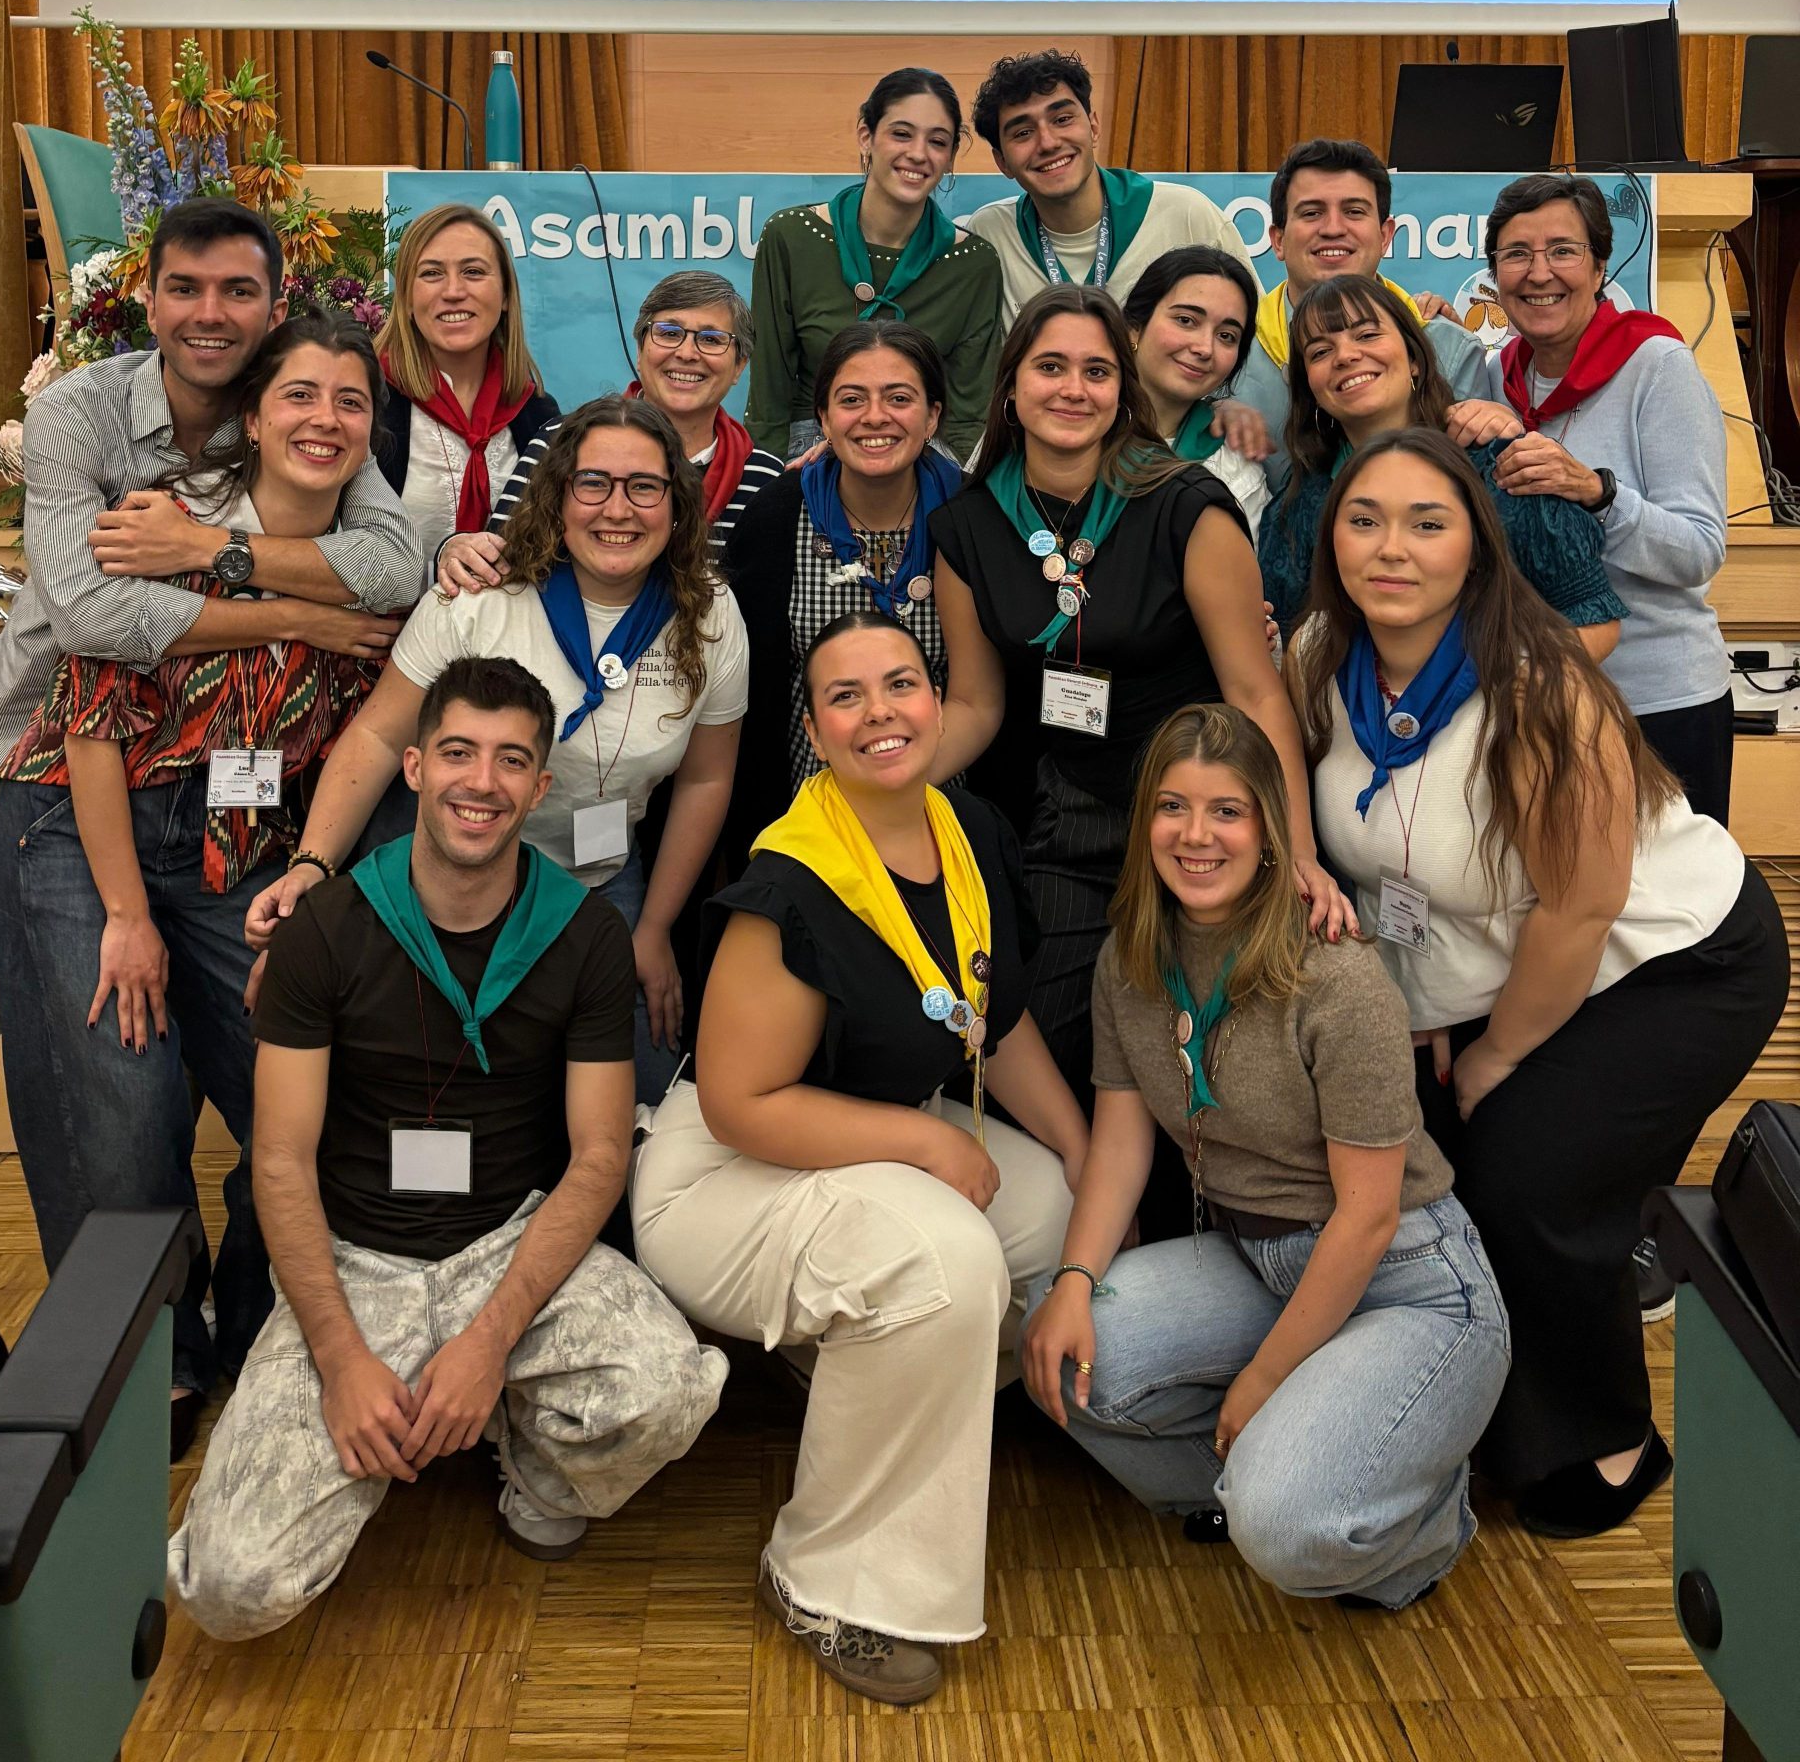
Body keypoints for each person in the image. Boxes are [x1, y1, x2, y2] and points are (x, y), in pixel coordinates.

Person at [0, 197, 419, 1302]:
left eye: (238, 291)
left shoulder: (302, 396)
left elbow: (389, 566)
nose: (210, 313)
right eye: (186, 288)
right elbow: (91, 619)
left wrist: (211, 549)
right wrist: (299, 616)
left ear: (274, 304)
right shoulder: (82, 414)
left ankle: (254, 1304)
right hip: (44, 747)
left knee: (274, 1061)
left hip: (219, 797)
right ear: (148, 296)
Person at [168, 656, 728, 1635]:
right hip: (355, 1259)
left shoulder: (586, 935)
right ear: (416, 767)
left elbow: (601, 1155)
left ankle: (523, 1450)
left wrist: (490, 1340)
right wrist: (343, 1360)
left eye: (511, 760)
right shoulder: (325, 930)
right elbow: (280, 1161)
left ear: (540, 788)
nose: (483, 781)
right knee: (231, 1589)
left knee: (670, 1395)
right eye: (460, 752)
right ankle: (393, 1415)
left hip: (509, 1244)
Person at [1293, 430, 1787, 1536]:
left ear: (1477, 547)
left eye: (1428, 523)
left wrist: (1497, 1057)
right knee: (1425, 1167)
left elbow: (1578, 909)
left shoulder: (1539, 685)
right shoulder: (1325, 653)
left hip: (1674, 959)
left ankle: (1610, 1441)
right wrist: (1421, 1006)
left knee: (1528, 1177)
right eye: (1365, 519)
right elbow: (1389, 871)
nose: (1391, 548)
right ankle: (1485, 1414)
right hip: (1498, 959)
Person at [631, 614, 1085, 1707]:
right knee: (946, 1263)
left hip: (856, 1142)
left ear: (937, 700)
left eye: (901, 684)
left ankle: (858, 1380)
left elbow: (992, 1017)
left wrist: (1082, 1154)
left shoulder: (967, 828)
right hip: (724, 1176)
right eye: (847, 696)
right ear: (814, 729)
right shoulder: (792, 881)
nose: (880, 712)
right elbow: (740, 1104)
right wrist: (927, 1139)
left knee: (1054, 1214)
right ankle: (825, 1580)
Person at [0, 312, 395, 1443]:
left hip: (240, 846)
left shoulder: (369, 569)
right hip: (87, 825)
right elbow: (91, 725)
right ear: (252, 418)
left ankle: (266, 1322)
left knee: (296, 1090)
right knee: (122, 1102)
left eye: (350, 401)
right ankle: (150, 1351)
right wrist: (126, 915)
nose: (324, 420)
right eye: (299, 396)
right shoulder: (163, 527)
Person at [1020, 703, 1507, 1610]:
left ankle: (1422, 1521)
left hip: (1405, 1281)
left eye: (1227, 812)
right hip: (1258, 1262)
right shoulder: (1130, 960)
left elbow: (1367, 1218)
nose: (1196, 835)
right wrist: (1076, 1280)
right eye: (1173, 808)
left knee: (1284, 1528)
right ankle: (1290, 1470)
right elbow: (1120, 1143)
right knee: (1059, 1350)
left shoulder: (1336, 974)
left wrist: (1267, 1375)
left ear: (1271, 832)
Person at [247, 396, 748, 1101]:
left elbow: (705, 781)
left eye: (644, 487)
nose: (618, 509)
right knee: (426, 1068)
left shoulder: (710, 615)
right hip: (447, 870)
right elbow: (380, 736)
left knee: (642, 1082)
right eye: (593, 483)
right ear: (559, 492)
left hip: (599, 871)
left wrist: (656, 927)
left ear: (676, 503)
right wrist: (313, 867)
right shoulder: (483, 592)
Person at [927, 287, 1348, 1108]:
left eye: (1096, 371)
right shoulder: (969, 526)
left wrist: (1298, 849)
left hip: (1203, 810)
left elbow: (1255, 692)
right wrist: (872, 795)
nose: (1073, 389)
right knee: (1044, 1047)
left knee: (1209, 1063)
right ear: (1011, 385)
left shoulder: (1184, 505)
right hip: (1075, 812)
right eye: (1050, 367)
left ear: (1123, 390)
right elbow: (975, 705)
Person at [1453, 172, 1734, 824]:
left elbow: (1699, 551)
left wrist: (1599, 493)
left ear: (1600, 266)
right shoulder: (1496, 377)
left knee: (1664, 888)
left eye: (1563, 250)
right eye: (1516, 254)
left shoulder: (1658, 366)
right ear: (1494, 275)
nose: (1539, 273)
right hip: (1539, 701)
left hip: (1656, 703)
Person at [1259, 273, 1626, 651]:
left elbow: (1591, 619)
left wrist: (1505, 685)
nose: (1346, 356)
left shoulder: (1499, 470)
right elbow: (1288, 645)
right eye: (1320, 352)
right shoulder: (1299, 507)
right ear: (1309, 388)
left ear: (1414, 359)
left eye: (1367, 335)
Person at [722, 323, 959, 866]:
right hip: (804, 825)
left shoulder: (968, 520)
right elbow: (749, 703)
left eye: (899, 398)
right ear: (824, 419)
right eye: (852, 400)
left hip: (939, 812)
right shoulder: (776, 517)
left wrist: (893, 787)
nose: (875, 416)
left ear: (932, 416)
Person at [438, 271, 784, 582]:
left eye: (711, 339)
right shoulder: (561, 442)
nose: (687, 353)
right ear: (640, 351)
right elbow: (498, 557)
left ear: (740, 366)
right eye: (669, 333)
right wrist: (454, 549)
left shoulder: (765, 478)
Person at [746, 68, 1003, 461]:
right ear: (866, 136)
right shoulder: (791, 236)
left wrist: (970, 489)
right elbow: (769, 396)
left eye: (937, 141)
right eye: (901, 134)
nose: (918, 153)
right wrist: (768, 481)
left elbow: (969, 416)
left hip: (918, 446)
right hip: (810, 445)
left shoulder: (973, 262)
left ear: (950, 156)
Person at [1229, 140, 1494, 479]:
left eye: (1354, 211)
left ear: (1385, 235)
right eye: (1311, 213)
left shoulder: (1451, 348)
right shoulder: (1229, 351)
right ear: (1278, 240)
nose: (1333, 229)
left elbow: (1478, 483)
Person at [963, 49, 1255, 321]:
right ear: (1002, 162)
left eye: (1062, 119)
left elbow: (1254, 336)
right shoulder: (991, 235)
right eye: (1023, 133)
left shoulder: (1187, 214)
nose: (1048, 143)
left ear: (1093, 127)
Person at [372, 201, 559, 567]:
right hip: (385, 605)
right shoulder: (367, 404)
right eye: (431, 273)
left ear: (506, 295)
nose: (454, 291)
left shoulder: (538, 415)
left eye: (473, 272)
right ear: (406, 298)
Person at [1121, 245, 1270, 531]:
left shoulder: (1233, 468)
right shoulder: (1076, 430)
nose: (1204, 348)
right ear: (1134, 327)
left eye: (1226, 336)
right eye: (1186, 321)